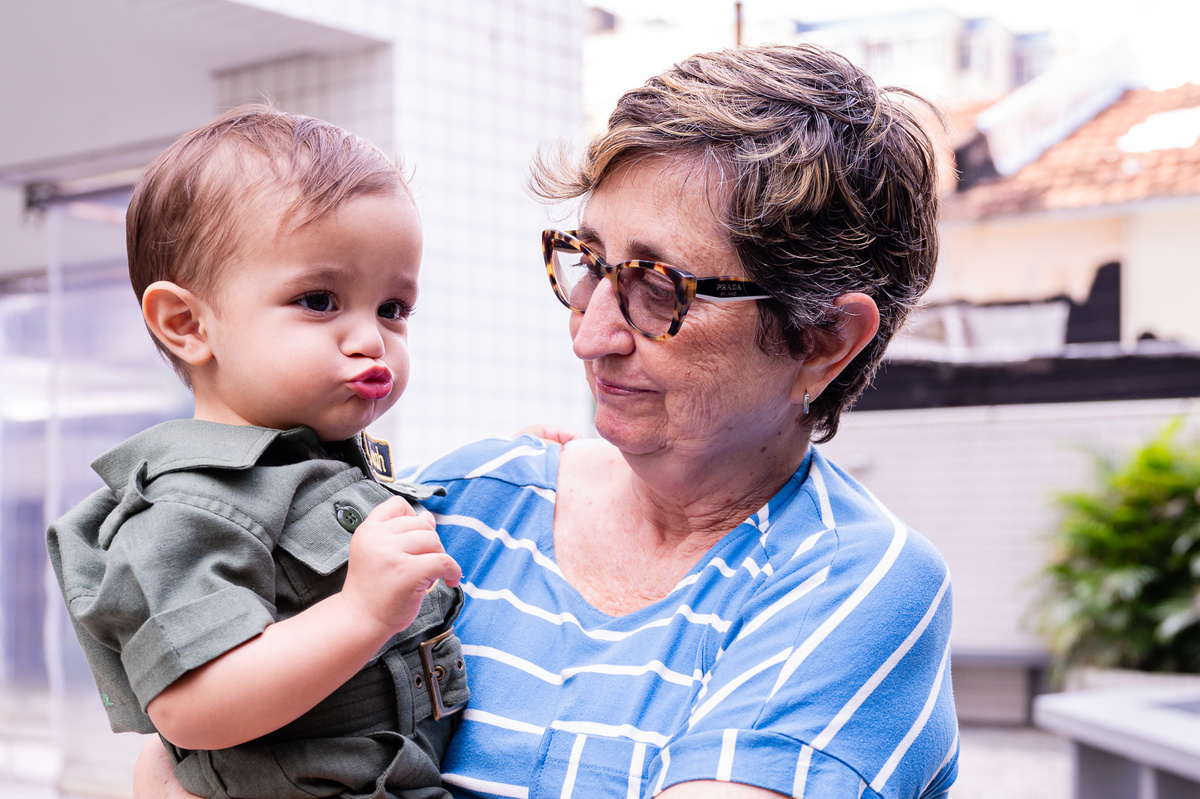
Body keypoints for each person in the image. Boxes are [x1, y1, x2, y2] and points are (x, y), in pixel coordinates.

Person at [137, 42, 958, 798]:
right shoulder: (464, 501)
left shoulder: (853, 583)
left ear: (823, 339)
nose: (590, 333)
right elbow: (180, 754)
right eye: (590, 263)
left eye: (659, 286)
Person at [47, 105, 469, 799]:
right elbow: (190, 705)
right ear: (187, 323)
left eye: (393, 308)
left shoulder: (332, 466)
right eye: (320, 299)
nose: (370, 339)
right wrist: (360, 611)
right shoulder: (188, 504)